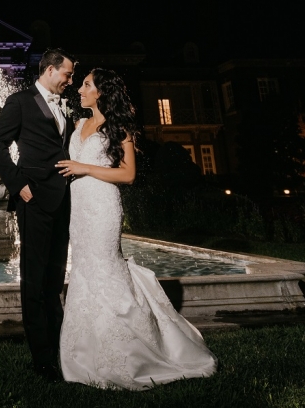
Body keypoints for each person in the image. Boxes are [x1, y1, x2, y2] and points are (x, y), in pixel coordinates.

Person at [55, 68, 217, 390]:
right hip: (79, 209)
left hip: (103, 207)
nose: (80, 90)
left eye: (86, 85)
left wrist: (84, 167)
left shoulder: (120, 128)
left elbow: (128, 174)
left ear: (101, 92)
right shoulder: (78, 125)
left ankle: (130, 349)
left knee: (106, 267)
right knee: (84, 269)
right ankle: (85, 351)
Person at [0, 48, 76, 382]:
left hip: (63, 201)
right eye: (67, 74)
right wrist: (18, 184)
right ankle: (42, 359)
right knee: (34, 280)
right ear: (50, 70)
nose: (70, 81)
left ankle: (59, 347)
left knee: (54, 278)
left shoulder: (64, 105)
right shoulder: (20, 102)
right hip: (34, 200)